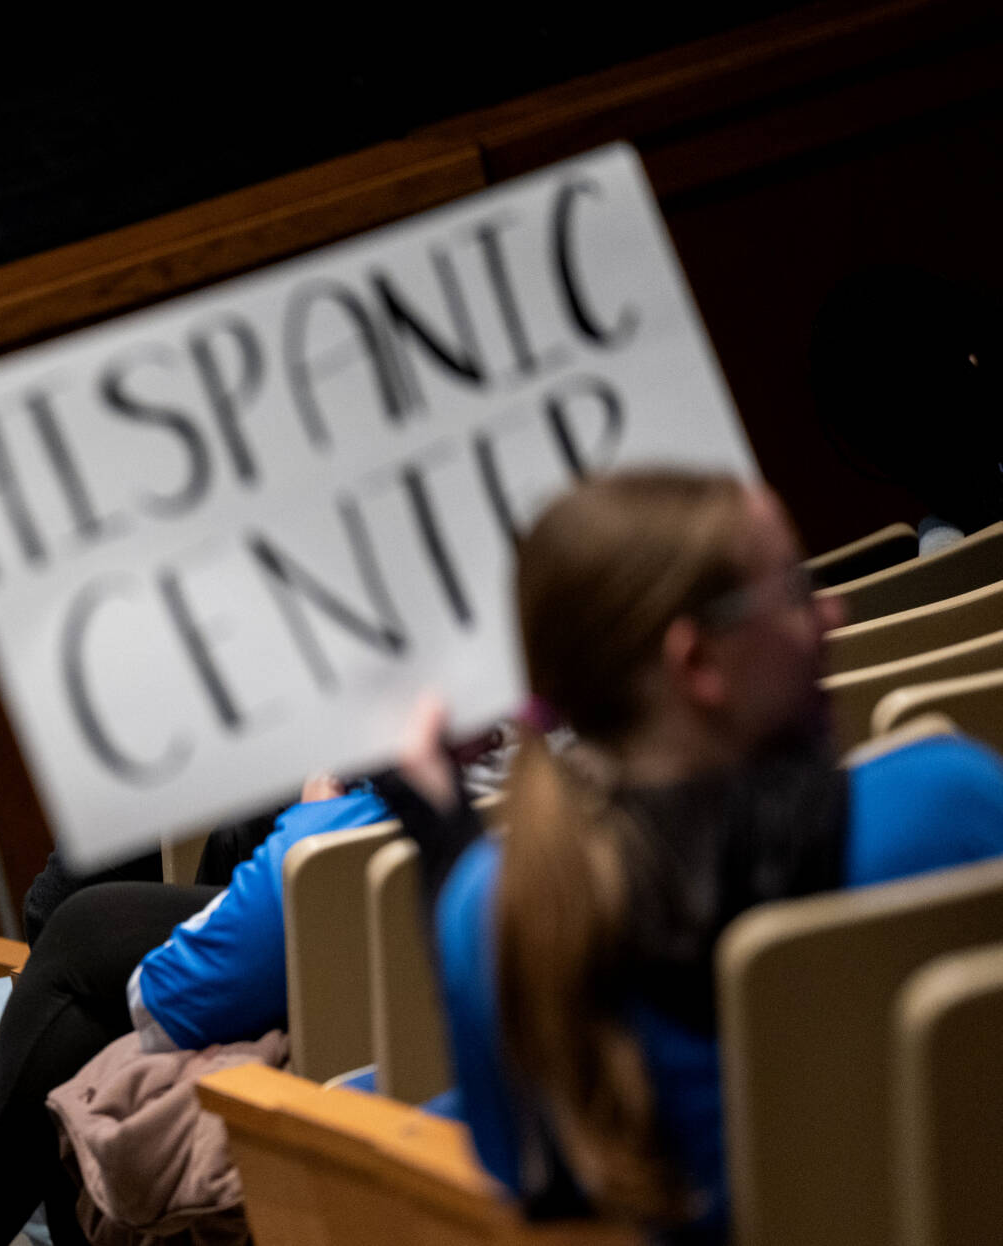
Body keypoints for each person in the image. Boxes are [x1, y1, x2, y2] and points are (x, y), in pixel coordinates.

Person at [378, 470, 1003, 1242]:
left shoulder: (495, 910)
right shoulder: (946, 804)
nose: (832, 614)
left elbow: (530, 1185)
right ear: (698, 663)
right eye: (796, 593)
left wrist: (443, 849)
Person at [0, 779, 392, 1245]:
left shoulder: (330, 793)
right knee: (63, 988)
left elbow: (146, 981)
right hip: (364, 1031)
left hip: (310, 1067)